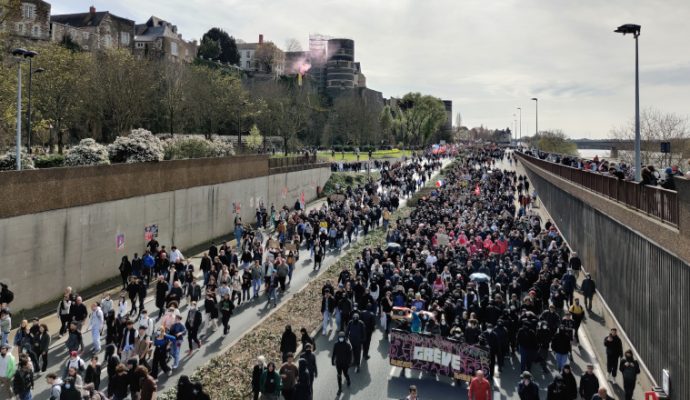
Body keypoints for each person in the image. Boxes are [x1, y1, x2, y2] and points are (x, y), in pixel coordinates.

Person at [331, 331, 352, 396]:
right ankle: (340, 389)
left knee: (345, 374)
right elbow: (334, 353)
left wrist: (349, 362)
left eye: (342, 337)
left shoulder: (347, 345)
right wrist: (332, 361)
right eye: (340, 337)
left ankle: (348, 380)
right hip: (338, 363)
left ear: (344, 337)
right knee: (339, 375)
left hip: (345, 364)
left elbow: (350, 355)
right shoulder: (336, 344)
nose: (341, 338)